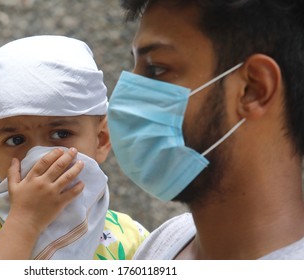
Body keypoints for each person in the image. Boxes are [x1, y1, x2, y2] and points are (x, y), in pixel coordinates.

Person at [107, 0, 304, 259]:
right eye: (135, 67)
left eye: (156, 69)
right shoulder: (167, 242)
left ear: (253, 90)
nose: (126, 98)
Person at [0, 35, 148, 260]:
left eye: (60, 134)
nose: (39, 157)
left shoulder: (131, 237)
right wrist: (25, 220)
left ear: (101, 140)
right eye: (15, 140)